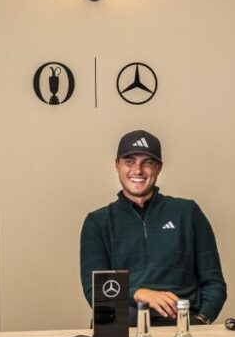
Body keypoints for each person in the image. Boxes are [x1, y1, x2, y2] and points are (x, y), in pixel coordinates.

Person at [80, 130, 227, 326]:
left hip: (182, 325)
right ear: (117, 165)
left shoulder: (188, 212)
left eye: (147, 162)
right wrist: (140, 294)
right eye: (129, 161)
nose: (137, 170)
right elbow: (95, 291)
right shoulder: (97, 222)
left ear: (159, 167)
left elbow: (214, 283)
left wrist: (201, 320)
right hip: (122, 325)